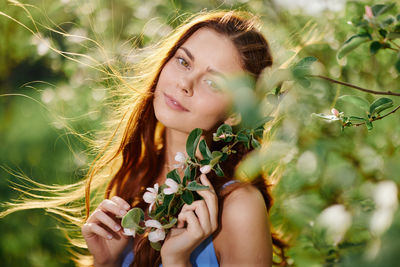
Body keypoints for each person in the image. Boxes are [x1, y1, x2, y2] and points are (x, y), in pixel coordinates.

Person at [1, 10, 286, 267]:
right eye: (184, 62)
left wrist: (177, 261)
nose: (184, 84)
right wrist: (106, 264)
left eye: (212, 82)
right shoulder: (137, 177)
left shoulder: (240, 209)